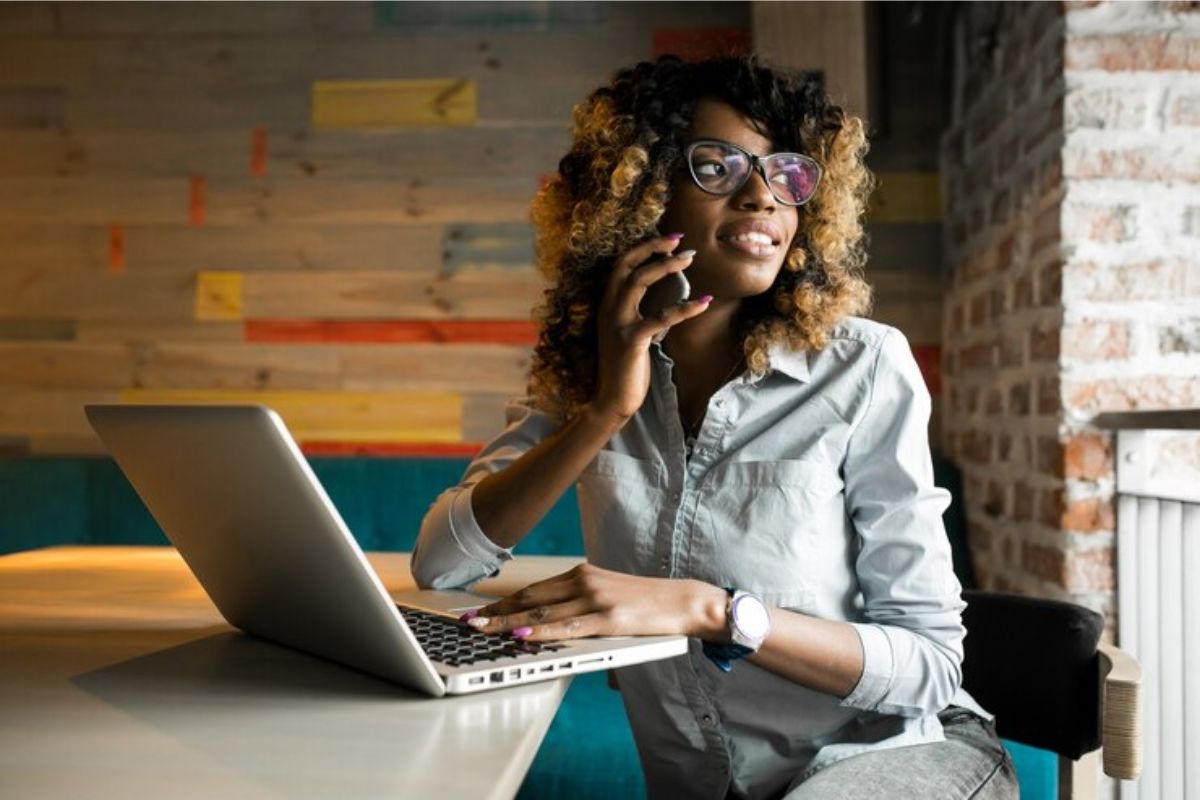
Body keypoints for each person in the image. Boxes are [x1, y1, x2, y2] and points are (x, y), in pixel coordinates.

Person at [413, 53, 1018, 800]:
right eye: (718, 166)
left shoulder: (864, 367)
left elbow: (930, 665)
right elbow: (442, 563)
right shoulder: (590, 371)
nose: (763, 196)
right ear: (638, 192)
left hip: (897, 757)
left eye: (787, 176)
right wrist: (607, 410)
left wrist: (716, 612)